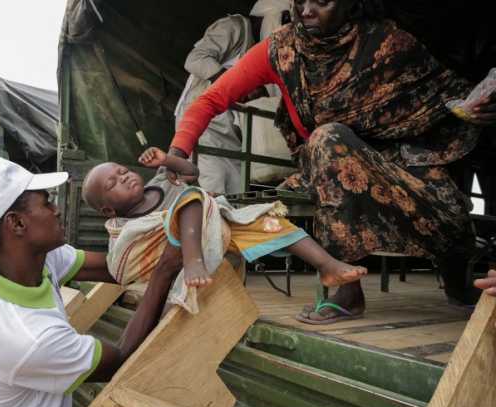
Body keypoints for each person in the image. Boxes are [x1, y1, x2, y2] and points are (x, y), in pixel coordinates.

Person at [166, 0, 496, 324]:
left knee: (450, 216)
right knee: (324, 141)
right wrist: (178, 153)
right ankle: (347, 292)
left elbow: (443, 95)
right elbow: (209, 100)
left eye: (321, 2)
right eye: (301, 1)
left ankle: (458, 275)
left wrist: (472, 110)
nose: (306, 10)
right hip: (325, 164)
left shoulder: (386, 42)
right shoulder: (282, 49)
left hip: (400, 158)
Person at [0, 156, 182, 407]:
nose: (57, 209)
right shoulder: (29, 338)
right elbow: (121, 357)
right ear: (17, 224)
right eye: (47, 202)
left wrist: (154, 241)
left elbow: (115, 269)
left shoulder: (12, 264)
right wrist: (164, 269)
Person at [83, 147, 367, 293]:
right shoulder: (126, 230)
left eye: (122, 171)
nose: (125, 177)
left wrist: (166, 159)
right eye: (113, 184)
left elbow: (191, 171)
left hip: (213, 232)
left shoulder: (161, 182)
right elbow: (123, 262)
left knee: (269, 221)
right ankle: (194, 262)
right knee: (191, 198)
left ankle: (326, 265)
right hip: (170, 258)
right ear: (109, 211)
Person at [175, 2, 292, 194]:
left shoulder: (267, 54)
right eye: (284, 20)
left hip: (231, 132)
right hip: (206, 128)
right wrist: (237, 86)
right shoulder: (235, 26)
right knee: (216, 188)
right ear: (269, 16)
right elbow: (195, 59)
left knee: (236, 192)